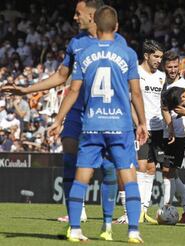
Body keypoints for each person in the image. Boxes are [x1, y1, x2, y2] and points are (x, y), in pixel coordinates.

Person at [1, 0, 127, 236]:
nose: (74, 17)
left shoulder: (118, 42)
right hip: (78, 112)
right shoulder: (76, 43)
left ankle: (107, 224)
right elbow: (61, 76)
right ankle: (76, 218)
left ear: (92, 16)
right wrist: (27, 90)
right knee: (69, 157)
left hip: (106, 115)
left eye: (78, 13)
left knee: (109, 169)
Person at [48, 5, 147, 243]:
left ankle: (74, 229)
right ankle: (133, 231)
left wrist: (59, 119)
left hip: (92, 124)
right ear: (116, 27)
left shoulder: (84, 52)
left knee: (81, 176)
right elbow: (136, 92)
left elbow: (73, 90)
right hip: (120, 125)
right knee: (128, 176)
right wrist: (142, 122)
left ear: (96, 25)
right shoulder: (128, 53)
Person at [114, 40, 165, 225]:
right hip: (139, 128)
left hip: (158, 128)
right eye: (156, 56)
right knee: (139, 167)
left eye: (161, 57)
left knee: (152, 168)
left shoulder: (161, 77)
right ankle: (131, 211)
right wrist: (140, 124)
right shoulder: (134, 72)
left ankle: (143, 210)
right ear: (146, 55)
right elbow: (130, 101)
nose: (159, 60)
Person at [161, 50, 185, 223]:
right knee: (170, 173)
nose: (173, 70)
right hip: (159, 132)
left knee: (168, 172)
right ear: (164, 66)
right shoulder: (160, 81)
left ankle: (166, 207)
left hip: (177, 135)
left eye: (176, 66)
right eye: (169, 67)